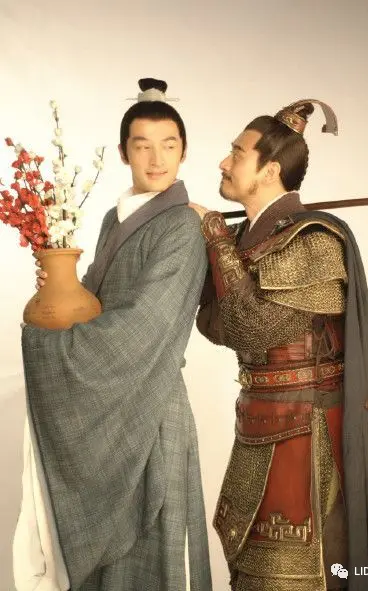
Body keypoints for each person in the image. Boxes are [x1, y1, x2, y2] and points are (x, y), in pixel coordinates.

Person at [15, 78, 212, 591]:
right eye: (142, 146)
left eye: (168, 145)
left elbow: (144, 324)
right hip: (109, 404)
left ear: (184, 151)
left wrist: (47, 349)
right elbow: (97, 302)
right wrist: (61, 289)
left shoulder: (182, 227)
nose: (156, 159)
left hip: (152, 404)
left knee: (155, 558)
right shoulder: (113, 219)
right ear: (124, 151)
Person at [191, 99, 368, 591]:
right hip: (256, 421)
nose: (223, 162)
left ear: (270, 170)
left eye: (237, 153)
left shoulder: (315, 241)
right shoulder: (246, 238)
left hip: (305, 434)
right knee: (250, 574)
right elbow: (213, 324)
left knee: (294, 576)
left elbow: (246, 328)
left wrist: (215, 236)